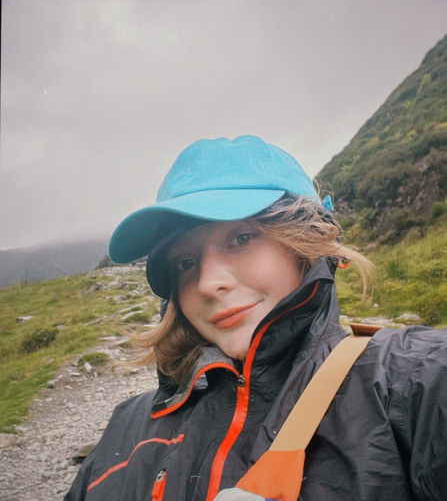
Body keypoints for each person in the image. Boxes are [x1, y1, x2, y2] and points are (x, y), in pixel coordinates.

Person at [65, 135, 447, 501]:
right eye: (185, 263)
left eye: (241, 238)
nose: (208, 283)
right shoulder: (126, 428)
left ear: (306, 241)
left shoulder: (412, 383)